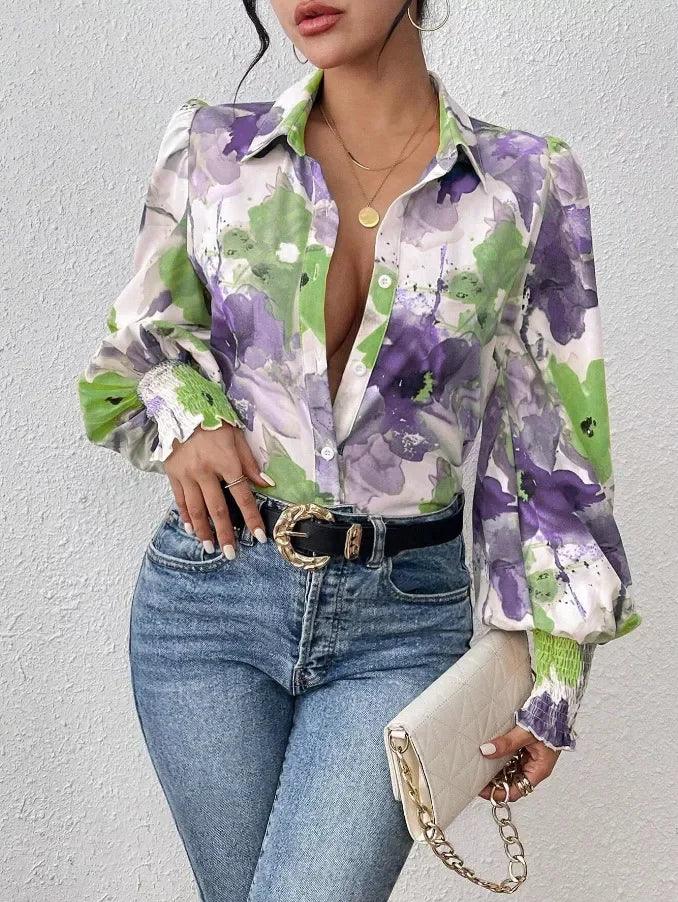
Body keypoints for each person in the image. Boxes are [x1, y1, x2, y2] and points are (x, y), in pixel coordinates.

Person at [76, 1, 642, 899]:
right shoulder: (212, 148)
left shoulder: (528, 181)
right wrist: (188, 415)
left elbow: (550, 442)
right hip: (209, 600)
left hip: (402, 623)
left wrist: (558, 665)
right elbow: (132, 356)